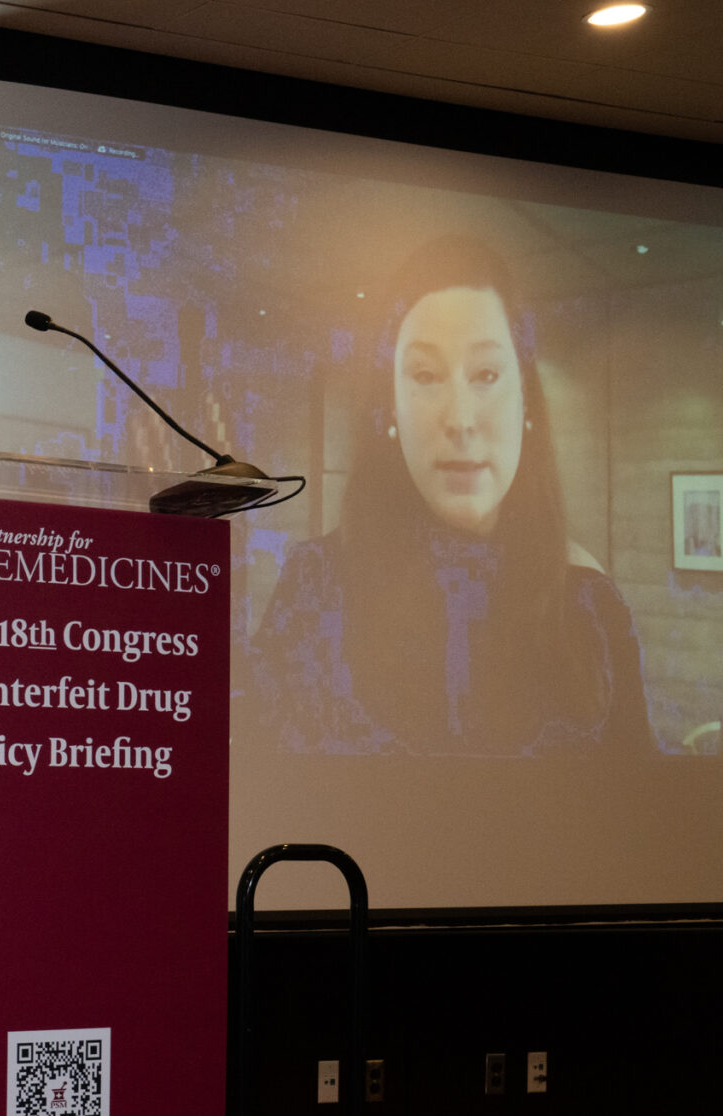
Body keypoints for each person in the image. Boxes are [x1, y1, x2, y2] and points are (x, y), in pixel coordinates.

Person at [250, 237, 653, 756]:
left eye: (486, 375)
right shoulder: (314, 589)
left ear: (526, 399)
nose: (460, 419)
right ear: (389, 407)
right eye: (425, 375)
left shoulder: (590, 605)